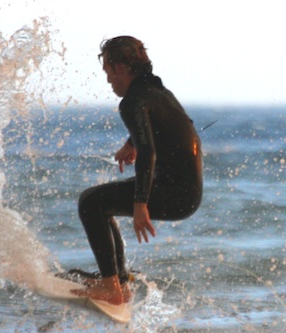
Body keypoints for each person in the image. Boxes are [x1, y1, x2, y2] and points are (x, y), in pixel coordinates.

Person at [71, 36, 203, 305]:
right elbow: (172, 124)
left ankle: (112, 288)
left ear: (120, 67)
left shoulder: (132, 102)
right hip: (187, 191)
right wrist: (131, 143)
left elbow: (149, 153)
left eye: (108, 72)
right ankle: (117, 282)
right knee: (100, 203)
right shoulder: (157, 91)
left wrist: (140, 203)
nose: (108, 80)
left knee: (90, 202)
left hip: (174, 192)